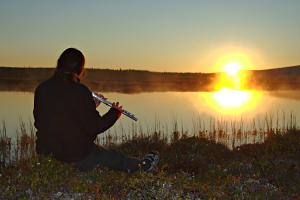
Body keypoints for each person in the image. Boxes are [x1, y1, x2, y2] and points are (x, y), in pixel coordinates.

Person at [33, 48, 159, 172]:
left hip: (46, 151)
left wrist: (90, 106)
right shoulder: (80, 91)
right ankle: (145, 165)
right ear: (80, 69)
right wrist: (114, 113)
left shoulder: (42, 88)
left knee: (99, 152)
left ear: (59, 64)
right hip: (74, 155)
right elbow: (95, 127)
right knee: (113, 157)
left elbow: (57, 116)